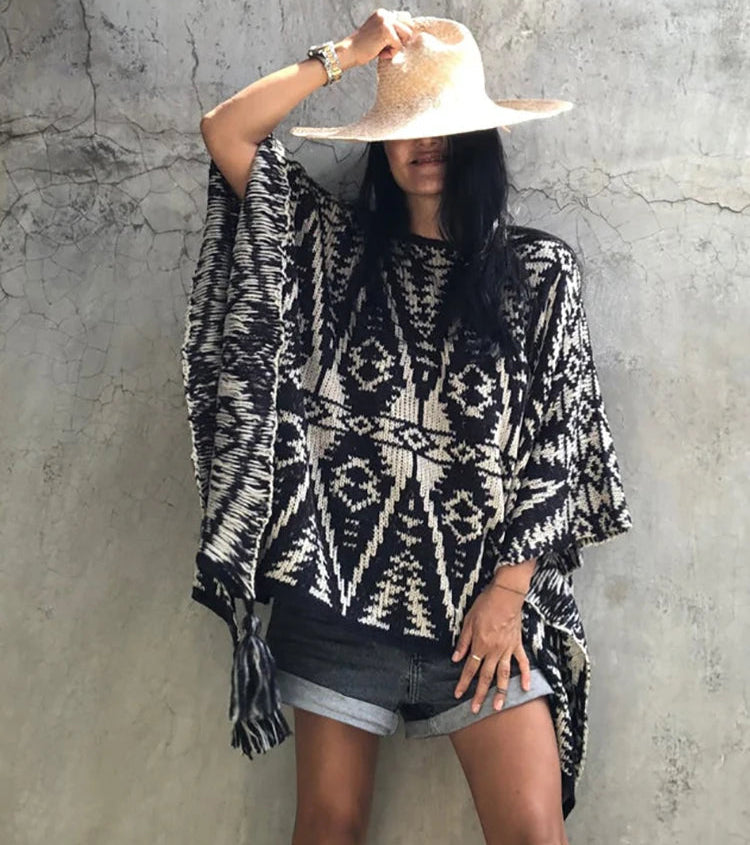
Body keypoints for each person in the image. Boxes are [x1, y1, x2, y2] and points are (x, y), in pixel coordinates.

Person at [184, 10, 633, 845]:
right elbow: (227, 131)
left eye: (446, 126)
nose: (427, 144)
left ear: (480, 141)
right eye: (406, 126)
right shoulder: (329, 249)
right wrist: (349, 55)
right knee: (328, 829)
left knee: (534, 834)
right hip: (340, 603)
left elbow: (558, 447)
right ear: (382, 145)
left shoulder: (540, 275)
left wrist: (508, 596)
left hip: (484, 617)